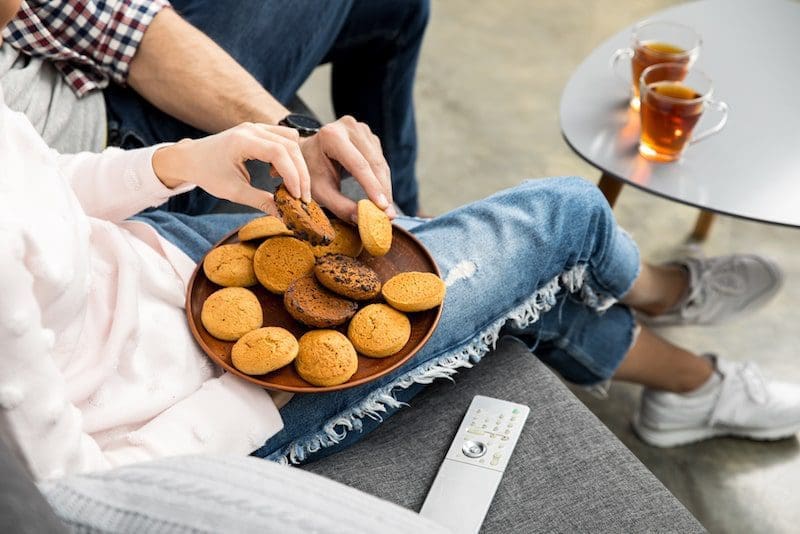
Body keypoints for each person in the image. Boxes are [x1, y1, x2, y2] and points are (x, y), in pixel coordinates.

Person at [2, 1, 799, 482]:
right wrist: (263, 390)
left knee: (430, 252)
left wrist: (182, 163)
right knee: (566, 215)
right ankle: (655, 302)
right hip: (213, 390)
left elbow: (41, 181)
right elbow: (71, 495)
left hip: (157, 254)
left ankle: (680, 377)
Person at [0, 0, 427, 216]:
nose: (20, 8)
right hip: (117, 150)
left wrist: (292, 134)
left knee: (393, 9)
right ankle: (406, 220)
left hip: (68, 82)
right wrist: (292, 136)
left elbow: (105, 17)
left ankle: (398, 210)